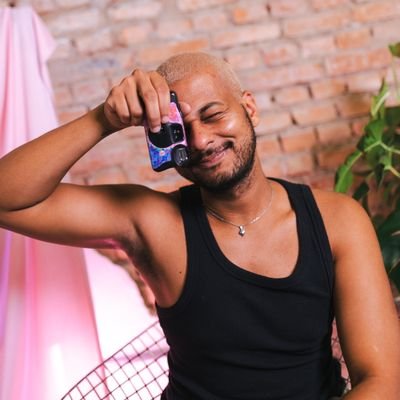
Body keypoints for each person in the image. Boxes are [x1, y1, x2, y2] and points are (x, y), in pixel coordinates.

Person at [0, 52, 399, 400]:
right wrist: (103, 119)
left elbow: (383, 381)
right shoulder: (155, 223)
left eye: (213, 115)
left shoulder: (337, 221)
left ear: (249, 108)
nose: (201, 140)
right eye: (179, 129)